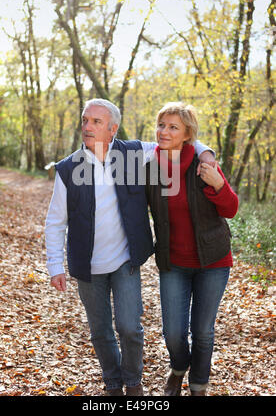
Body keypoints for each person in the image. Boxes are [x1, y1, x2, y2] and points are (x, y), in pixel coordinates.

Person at [45, 98, 215, 396]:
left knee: (130, 328)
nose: (88, 126)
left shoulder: (132, 153)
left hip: (125, 260)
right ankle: (114, 385)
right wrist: (55, 266)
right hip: (88, 267)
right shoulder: (68, 169)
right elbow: (55, 222)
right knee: (100, 332)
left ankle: (133, 383)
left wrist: (207, 153)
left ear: (113, 129)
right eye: (85, 120)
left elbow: (174, 140)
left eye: (96, 122)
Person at [145, 102, 238, 397]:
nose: (164, 131)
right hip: (173, 262)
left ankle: (198, 385)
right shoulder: (150, 167)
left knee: (203, 332)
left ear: (187, 135)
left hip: (213, 259)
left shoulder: (204, 164)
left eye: (173, 127)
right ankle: (178, 367)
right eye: (162, 125)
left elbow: (231, 208)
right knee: (173, 333)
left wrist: (219, 185)